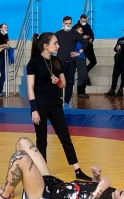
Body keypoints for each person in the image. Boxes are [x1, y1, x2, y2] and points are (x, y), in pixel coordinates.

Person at [26, 32, 92, 181]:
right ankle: (43, 173)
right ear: (46, 46)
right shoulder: (34, 62)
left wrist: (58, 82)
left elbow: (64, 84)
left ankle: (77, 170)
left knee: (65, 137)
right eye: (55, 43)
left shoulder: (57, 61)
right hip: (40, 105)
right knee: (41, 140)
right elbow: (30, 88)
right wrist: (34, 109)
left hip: (55, 104)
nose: (58, 46)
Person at [55, 16, 88, 109]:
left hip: (71, 61)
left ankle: (66, 102)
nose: (68, 25)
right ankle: (58, 100)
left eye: (69, 23)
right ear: (63, 23)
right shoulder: (58, 34)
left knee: (69, 82)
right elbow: (51, 43)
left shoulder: (75, 34)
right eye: (66, 23)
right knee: (58, 81)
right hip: (60, 61)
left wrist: (78, 53)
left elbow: (85, 43)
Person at [105, 27, 124, 97]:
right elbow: (115, 49)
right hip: (118, 59)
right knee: (115, 74)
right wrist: (116, 48)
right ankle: (112, 89)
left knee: (123, 75)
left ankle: (120, 90)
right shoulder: (120, 39)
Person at [72, 24, 89, 98]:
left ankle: (81, 91)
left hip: (80, 57)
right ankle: (81, 92)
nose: (82, 32)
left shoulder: (78, 39)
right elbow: (81, 47)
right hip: (79, 58)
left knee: (82, 75)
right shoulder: (78, 40)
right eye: (80, 31)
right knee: (82, 75)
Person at [79, 14, 96, 85]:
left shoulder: (88, 26)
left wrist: (91, 38)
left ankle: (85, 73)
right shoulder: (76, 27)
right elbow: (74, 36)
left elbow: (92, 34)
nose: (84, 22)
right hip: (81, 48)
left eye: (85, 21)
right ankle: (86, 78)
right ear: (80, 20)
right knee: (82, 64)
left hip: (89, 47)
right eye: (83, 21)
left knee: (93, 61)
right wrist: (82, 37)